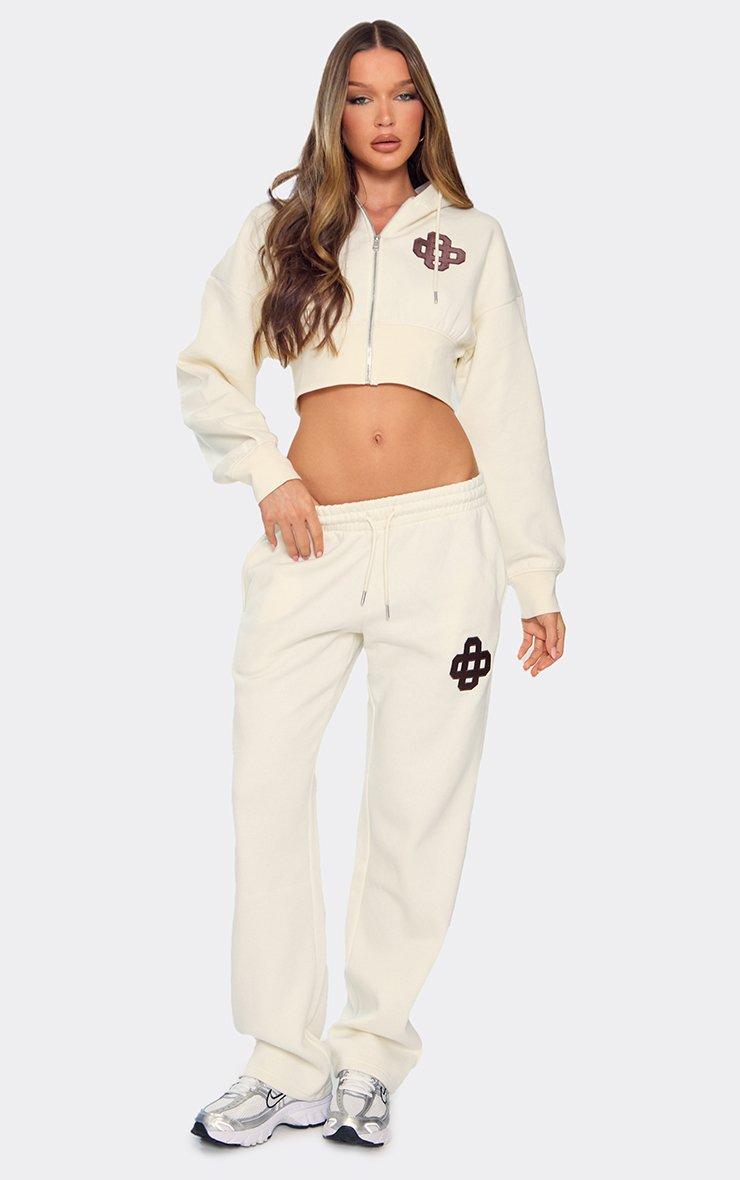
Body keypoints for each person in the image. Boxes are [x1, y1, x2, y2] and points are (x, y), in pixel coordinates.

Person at [176, 18, 567, 1150]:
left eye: (400, 94)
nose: (382, 116)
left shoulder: (474, 239)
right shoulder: (282, 231)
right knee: (265, 785)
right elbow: (206, 370)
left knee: (416, 799)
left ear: (424, 107)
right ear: (333, 110)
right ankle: (282, 1058)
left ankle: (370, 1052)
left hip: (446, 545)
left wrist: (534, 572)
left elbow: (509, 406)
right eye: (360, 95)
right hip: (310, 544)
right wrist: (267, 474)